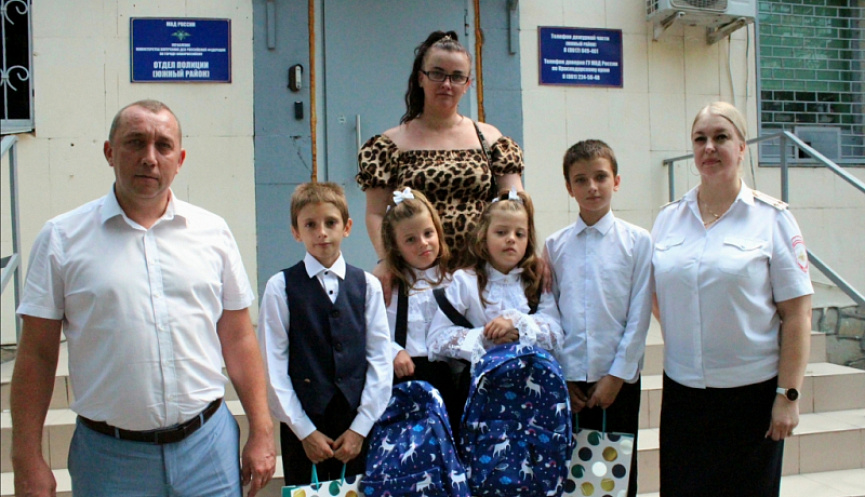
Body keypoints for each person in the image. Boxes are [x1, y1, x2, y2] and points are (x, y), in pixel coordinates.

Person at [10, 99, 276, 497]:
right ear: (109, 152)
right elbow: (37, 354)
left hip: (208, 451)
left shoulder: (213, 233)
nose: (150, 158)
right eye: (135, 142)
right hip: (110, 461)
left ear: (179, 160)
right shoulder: (62, 239)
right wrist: (26, 456)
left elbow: (238, 338)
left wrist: (262, 429)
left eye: (163, 146)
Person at [652, 102, 813, 497]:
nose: (709, 147)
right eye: (700, 139)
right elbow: (657, 293)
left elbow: (797, 314)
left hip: (751, 397)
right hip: (684, 395)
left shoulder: (772, 219)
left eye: (721, 137)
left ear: (742, 147)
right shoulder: (669, 219)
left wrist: (788, 396)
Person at [357, 30, 525, 292]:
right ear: (421, 78)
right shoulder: (389, 145)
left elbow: (516, 205)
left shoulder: (491, 140)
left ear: (467, 84)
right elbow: (376, 213)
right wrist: (386, 261)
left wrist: (529, 257)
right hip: (418, 280)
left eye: (457, 76)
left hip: (483, 278)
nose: (447, 84)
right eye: (437, 73)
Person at [257, 182, 392, 485]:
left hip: (356, 423)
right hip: (304, 424)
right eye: (310, 225)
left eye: (331, 222)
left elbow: (380, 359)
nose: (322, 232)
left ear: (347, 227)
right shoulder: (280, 287)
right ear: (296, 232)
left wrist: (360, 428)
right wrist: (304, 431)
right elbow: (273, 366)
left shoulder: (367, 285)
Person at [544, 139, 653, 497]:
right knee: (572, 476)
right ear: (569, 187)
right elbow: (549, 313)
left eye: (601, 177)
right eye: (581, 179)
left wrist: (617, 375)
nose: (592, 187)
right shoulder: (555, 246)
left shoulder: (638, 242)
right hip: (570, 382)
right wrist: (562, 375)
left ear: (616, 181)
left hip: (617, 380)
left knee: (613, 478)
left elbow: (639, 315)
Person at [427, 189, 563, 369]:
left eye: (519, 234)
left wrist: (517, 323)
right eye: (501, 232)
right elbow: (436, 338)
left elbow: (555, 332)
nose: (511, 239)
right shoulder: (466, 281)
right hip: (481, 380)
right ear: (483, 236)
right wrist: (485, 337)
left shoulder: (535, 280)